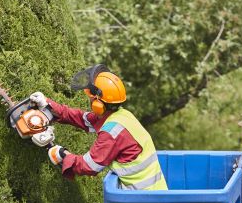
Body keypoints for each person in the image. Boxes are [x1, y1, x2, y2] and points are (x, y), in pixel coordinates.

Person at [29, 64, 168, 191]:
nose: (89, 99)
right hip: (158, 194)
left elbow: (89, 166)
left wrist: (62, 154)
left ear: (98, 103)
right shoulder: (123, 115)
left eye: (91, 97)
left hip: (142, 202)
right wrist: (47, 104)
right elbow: (82, 118)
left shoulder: (111, 132)